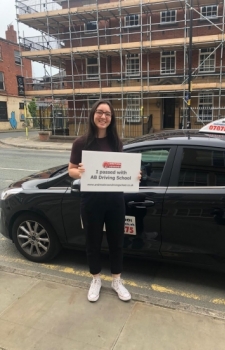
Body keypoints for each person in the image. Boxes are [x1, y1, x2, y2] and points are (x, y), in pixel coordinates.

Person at [68, 99, 139, 303]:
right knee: (93, 242)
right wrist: (79, 173)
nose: (103, 117)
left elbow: (122, 169)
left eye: (108, 114)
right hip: (91, 201)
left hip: (115, 200)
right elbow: (71, 170)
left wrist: (134, 175)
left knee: (117, 241)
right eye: (100, 112)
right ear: (93, 114)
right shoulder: (80, 143)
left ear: (112, 118)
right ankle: (96, 279)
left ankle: (116, 280)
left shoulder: (116, 142)